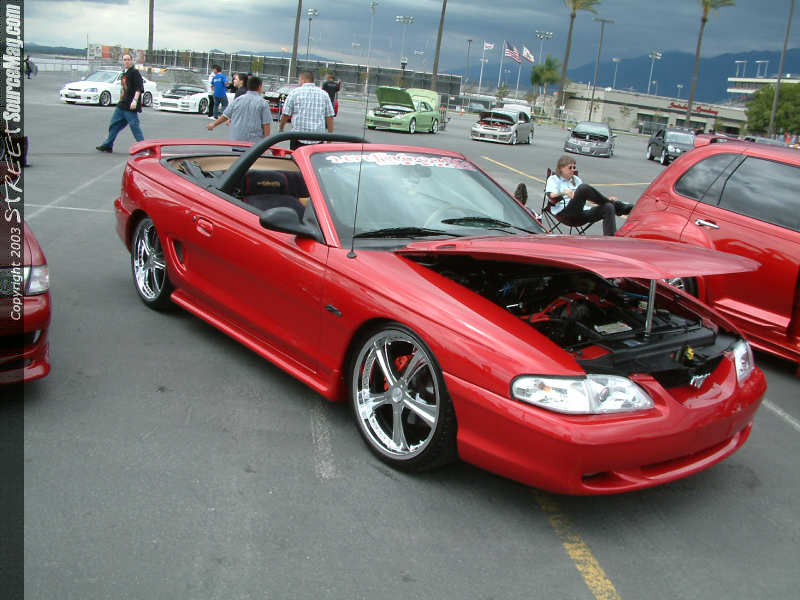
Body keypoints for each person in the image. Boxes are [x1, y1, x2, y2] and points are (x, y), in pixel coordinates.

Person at [544, 155, 633, 235]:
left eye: (574, 167)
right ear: (561, 168)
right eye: (570, 167)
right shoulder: (554, 179)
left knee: (608, 207)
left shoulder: (576, 179)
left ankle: (610, 240)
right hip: (565, 214)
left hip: (581, 214)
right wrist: (564, 192)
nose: (573, 170)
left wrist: (605, 200)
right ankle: (620, 207)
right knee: (583, 188)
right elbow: (551, 196)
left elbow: (588, 198)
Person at [96, 53, 144, 153]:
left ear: (131, 61)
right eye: (124, 59)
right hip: (122, 104)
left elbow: (139, 88)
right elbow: (124, 89)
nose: (126, 61)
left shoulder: (134, 72)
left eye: (128, 59)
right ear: (122, 61)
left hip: (130, 105)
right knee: (114, 125)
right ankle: (108, 145)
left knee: (134, 126)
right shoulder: (124, 73)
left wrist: (135, 101)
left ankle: (143, 147)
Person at [279, 71, 334, 150]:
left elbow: (285, 114)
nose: (298, 83)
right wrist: (330, 138)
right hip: (318, 139)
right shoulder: (324, 94)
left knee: (296, 157)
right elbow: (329, 117)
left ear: (303, 80)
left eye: (299, 80)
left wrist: (281, 128)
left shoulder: (294, 93)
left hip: (297, 138)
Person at [207, 76, 270, 142]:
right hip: (254, 142)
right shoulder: (263, 103)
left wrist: (213, 124)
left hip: (237, 140)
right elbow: (266, 124)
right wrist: (266, 142)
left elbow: (226, 115)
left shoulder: (238, 99)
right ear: (260, 87)